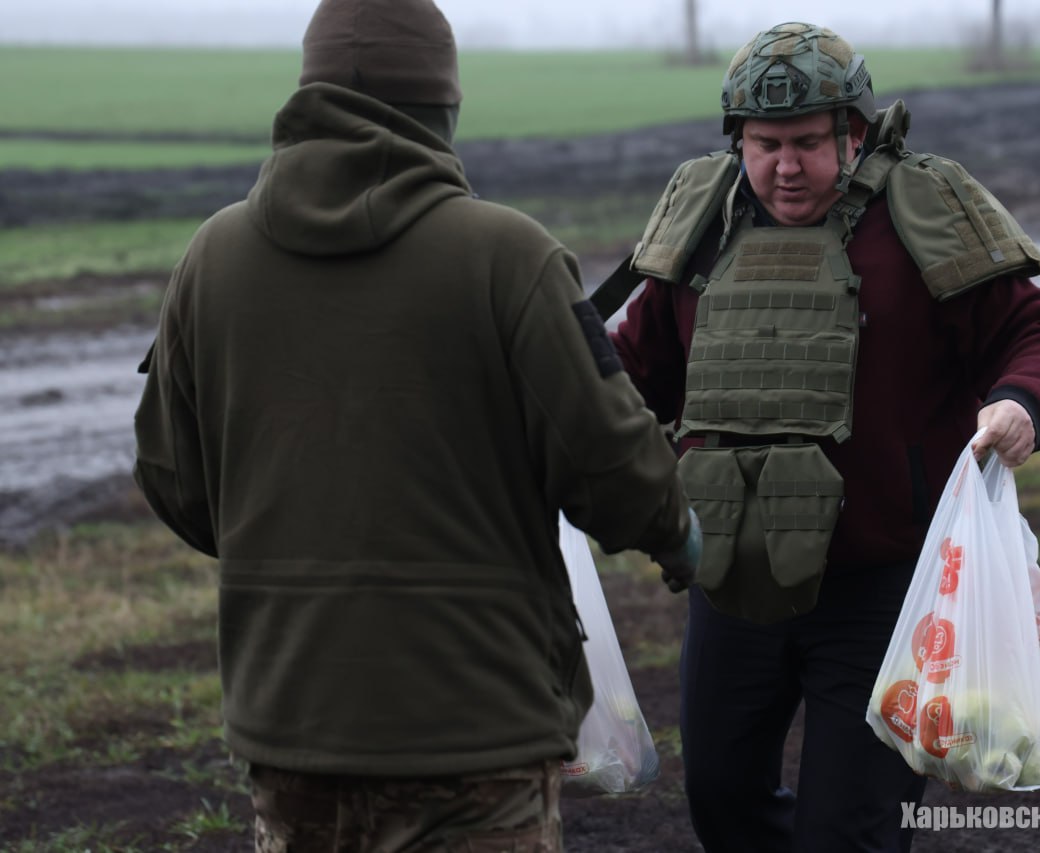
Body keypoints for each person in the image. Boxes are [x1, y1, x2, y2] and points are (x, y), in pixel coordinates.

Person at [131, 1, 700, 851]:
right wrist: (679, 535)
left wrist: (285, 537)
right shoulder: (510, 256)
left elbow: (171, 473)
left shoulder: (213, 258)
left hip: (289, 724)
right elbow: (614, 467)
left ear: (306, 94)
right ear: (443, 109)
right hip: (477, 737)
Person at [607, 22, 1040, 853]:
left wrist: (1020, 406)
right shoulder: (703, 228)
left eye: (805, 144)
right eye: (763, 144)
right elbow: (630, 370)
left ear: (853, 133)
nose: (784, 167)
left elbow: (1038, 336)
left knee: (849, 831)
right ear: (737, 140)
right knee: (720, 799)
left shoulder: (919, 217)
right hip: (732, 578)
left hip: (881, 593)